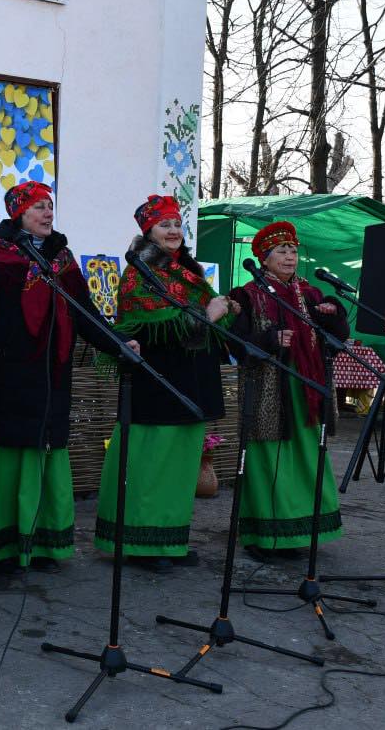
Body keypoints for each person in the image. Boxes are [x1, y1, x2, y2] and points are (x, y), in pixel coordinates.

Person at [0, 181, 138, 576]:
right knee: (9, 452)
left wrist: (118, 343)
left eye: (49, 206)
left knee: (47, 450)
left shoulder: (62, 261)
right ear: (18, 213)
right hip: (8, 374)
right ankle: (1, 547)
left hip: (53, 376)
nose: (47, 212)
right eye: (38, 206)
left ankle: (42, 544)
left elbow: (85, 313)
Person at [94, 195, 239, 573]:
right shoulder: (138, 273)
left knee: (180, 466)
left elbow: (208, 317)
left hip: (190, 380)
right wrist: (210, 313)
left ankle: (170, 539)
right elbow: (158, 325)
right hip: (157, 384)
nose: (174, 230)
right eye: (164, 225)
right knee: (153, 464)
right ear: (148, 231)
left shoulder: (186, 271)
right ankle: (141, 543)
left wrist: (223, 310)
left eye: (177, 223)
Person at [228, 221, 349, 561]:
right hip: (267, 390)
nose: (289, 256)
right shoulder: (246, 295)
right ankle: (263, 535)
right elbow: (235, 344)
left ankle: (299, 532)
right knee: (267, 460)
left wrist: (333, 314)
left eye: (293, 250)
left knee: (308, 458)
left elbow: (337, 337)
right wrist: (269, 340)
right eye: (281, 251)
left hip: (306, 391)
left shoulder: (311, 295)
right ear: (264, 259)